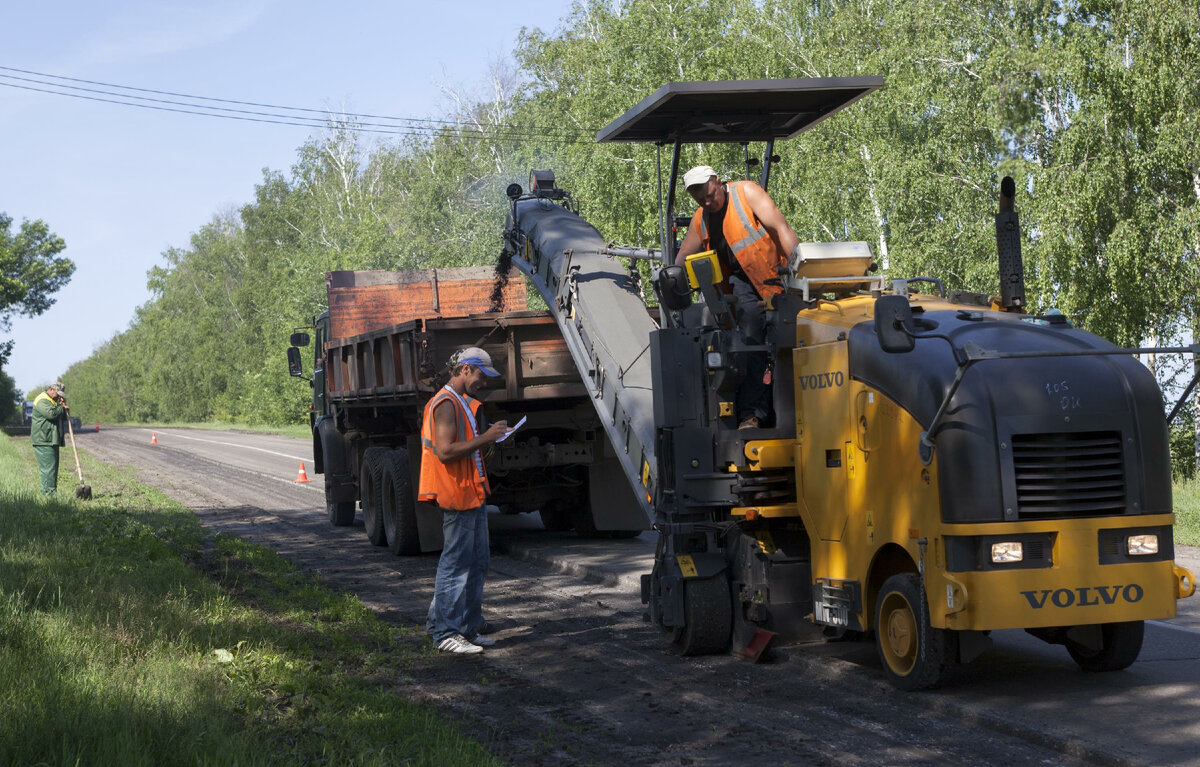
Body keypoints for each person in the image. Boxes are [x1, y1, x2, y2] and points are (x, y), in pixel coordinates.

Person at [674, 165, 801, 429]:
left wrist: (800, 269)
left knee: (795, 335)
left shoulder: (747, 193)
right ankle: (750, 415)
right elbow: (681, 260)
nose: (708, 202)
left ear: (718, 182)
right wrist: (672, 280)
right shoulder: (702, 219)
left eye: (710, 195)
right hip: (741, 285)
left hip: (778, 277)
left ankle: (799, 406)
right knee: (750, 336)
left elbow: (781, 228)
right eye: (700, 200)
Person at [419, 346, 509, 655]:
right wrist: (487, 438)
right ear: (466, 369)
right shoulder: (446, 404)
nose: (484, 382)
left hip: (471, 494)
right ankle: (446, 633)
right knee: (456, 566)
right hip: (457, 495)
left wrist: (490, 439)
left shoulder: (459, 402)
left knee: (476, 563)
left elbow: (465, 449)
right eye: (482, 375)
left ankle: (466, 628)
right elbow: (445, 452)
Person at [31, 381, 68, 495]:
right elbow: (51, 414)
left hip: (49, 440)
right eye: (58, 393)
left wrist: (62, 408)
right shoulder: (42, 400)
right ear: (51, 389)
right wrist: (62, 408)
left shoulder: (51, 401)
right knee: (48, 470)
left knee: (52, 469)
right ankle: (49, 496)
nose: (59, 396)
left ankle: (50, 494)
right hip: (44, 440)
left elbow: (60, 417)